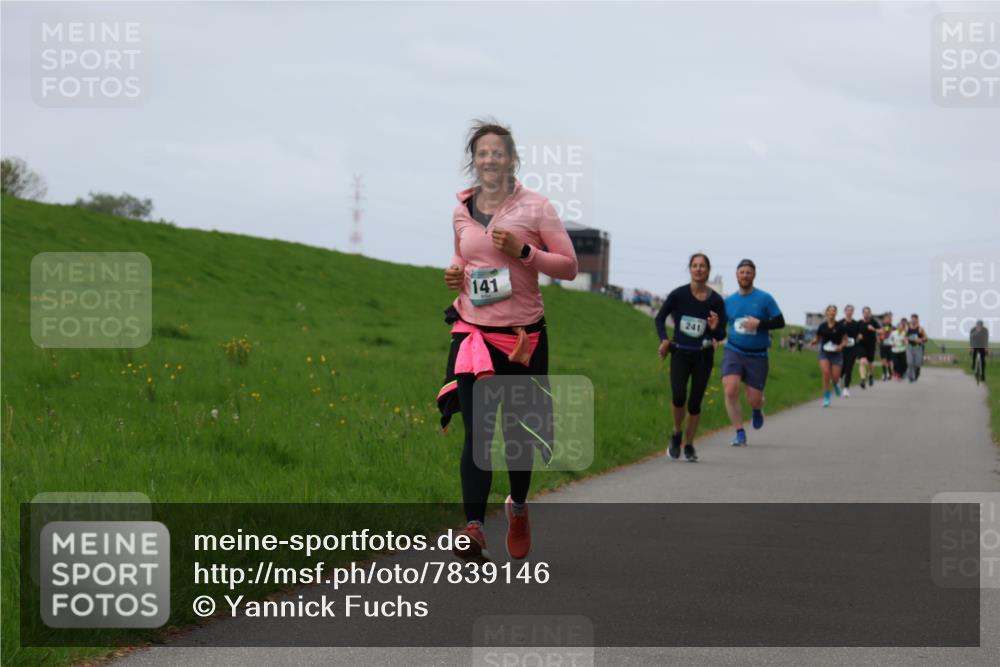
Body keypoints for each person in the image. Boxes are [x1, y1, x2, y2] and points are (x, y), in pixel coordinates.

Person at [440, 119, 577, 563]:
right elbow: (463, 254)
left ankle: (517, 507)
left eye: (498, 152)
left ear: (512, 159)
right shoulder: (461, 209)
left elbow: (569, 266)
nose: (490, 159)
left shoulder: (537, 208)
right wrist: (455, 271)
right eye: (482, 153)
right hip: (474, 334)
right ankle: (474, 527)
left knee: (517, 436)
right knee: (478, 433)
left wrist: (524, 252)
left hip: (522, 339)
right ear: (473, 160)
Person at [655, 253, 727, 462]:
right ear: (690, 269)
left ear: (708, 270)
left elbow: (721, 334)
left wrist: (714, 328)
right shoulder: (679, 295)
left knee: (695, 403)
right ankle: (677, 432)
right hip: (680, 353)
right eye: (695, 265)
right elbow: (660, 318)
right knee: (679, 396)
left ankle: (689, 445)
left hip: (703, 356)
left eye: (702, 266)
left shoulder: (716, 301)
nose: (698, 269)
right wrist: (664, 339)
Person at [720, 259, 784, 446]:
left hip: (757, 355)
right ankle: (740, 432)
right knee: (730, 389)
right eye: (742, 272)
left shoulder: (765, 298)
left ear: (754, 275)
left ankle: (757, 409)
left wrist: (760, 324)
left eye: (748, 272)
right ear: (736, 275)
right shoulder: (729, 301)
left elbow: (780, 322)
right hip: (734, 350)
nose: (745, 275)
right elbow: (721, 325)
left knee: (754, 399)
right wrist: (715, 335)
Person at [808, 305, 846, 407]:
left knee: (835, 377)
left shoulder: (840, 326)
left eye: (834, 311)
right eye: (830, 311)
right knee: (826, 374)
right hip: (824, 353)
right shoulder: (822, 326)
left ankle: (836, 384)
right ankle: (826, 398)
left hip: (837, 354)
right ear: (827, 313)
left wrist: (841, 346)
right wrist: (813, 342)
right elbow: (818, 338)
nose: (832, 312)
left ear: (836, 313)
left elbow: (845, 340)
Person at [839, 304, 860, 397]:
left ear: (853, 312)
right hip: (842, 348)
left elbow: (858, 335)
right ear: (845, 311)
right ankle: (839, 379)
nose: (850, 312)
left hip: (852, 348)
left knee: (849, 368)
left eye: (851, 310)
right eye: (848, 310)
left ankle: (846, 388)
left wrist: (859, 336)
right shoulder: (840, 322)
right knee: (842, 367)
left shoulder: (856, 323)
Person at [905, 313, 929, 382]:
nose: (913, 320)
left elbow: (926, 338)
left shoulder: (920, 329)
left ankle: (917, 373)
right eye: (912, 319)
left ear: (917, 320)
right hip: (909, 347)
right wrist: (906, 340)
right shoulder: (907, 328)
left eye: (914, 319)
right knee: (910, 362)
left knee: (917, 363)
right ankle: (910, 377)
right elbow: (905, 336)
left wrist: (921, 339)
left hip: (918, 347)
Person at [878, 312, 895, 381]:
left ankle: (890, 373)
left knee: (890, 361)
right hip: (882, 346)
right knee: (883, 360)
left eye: (889, 319)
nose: (887, 320)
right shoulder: (881, 326)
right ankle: (885, 374)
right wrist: (878, 340)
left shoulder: (893, 327)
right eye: (886, 319)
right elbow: (878, 334)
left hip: (890, 346)